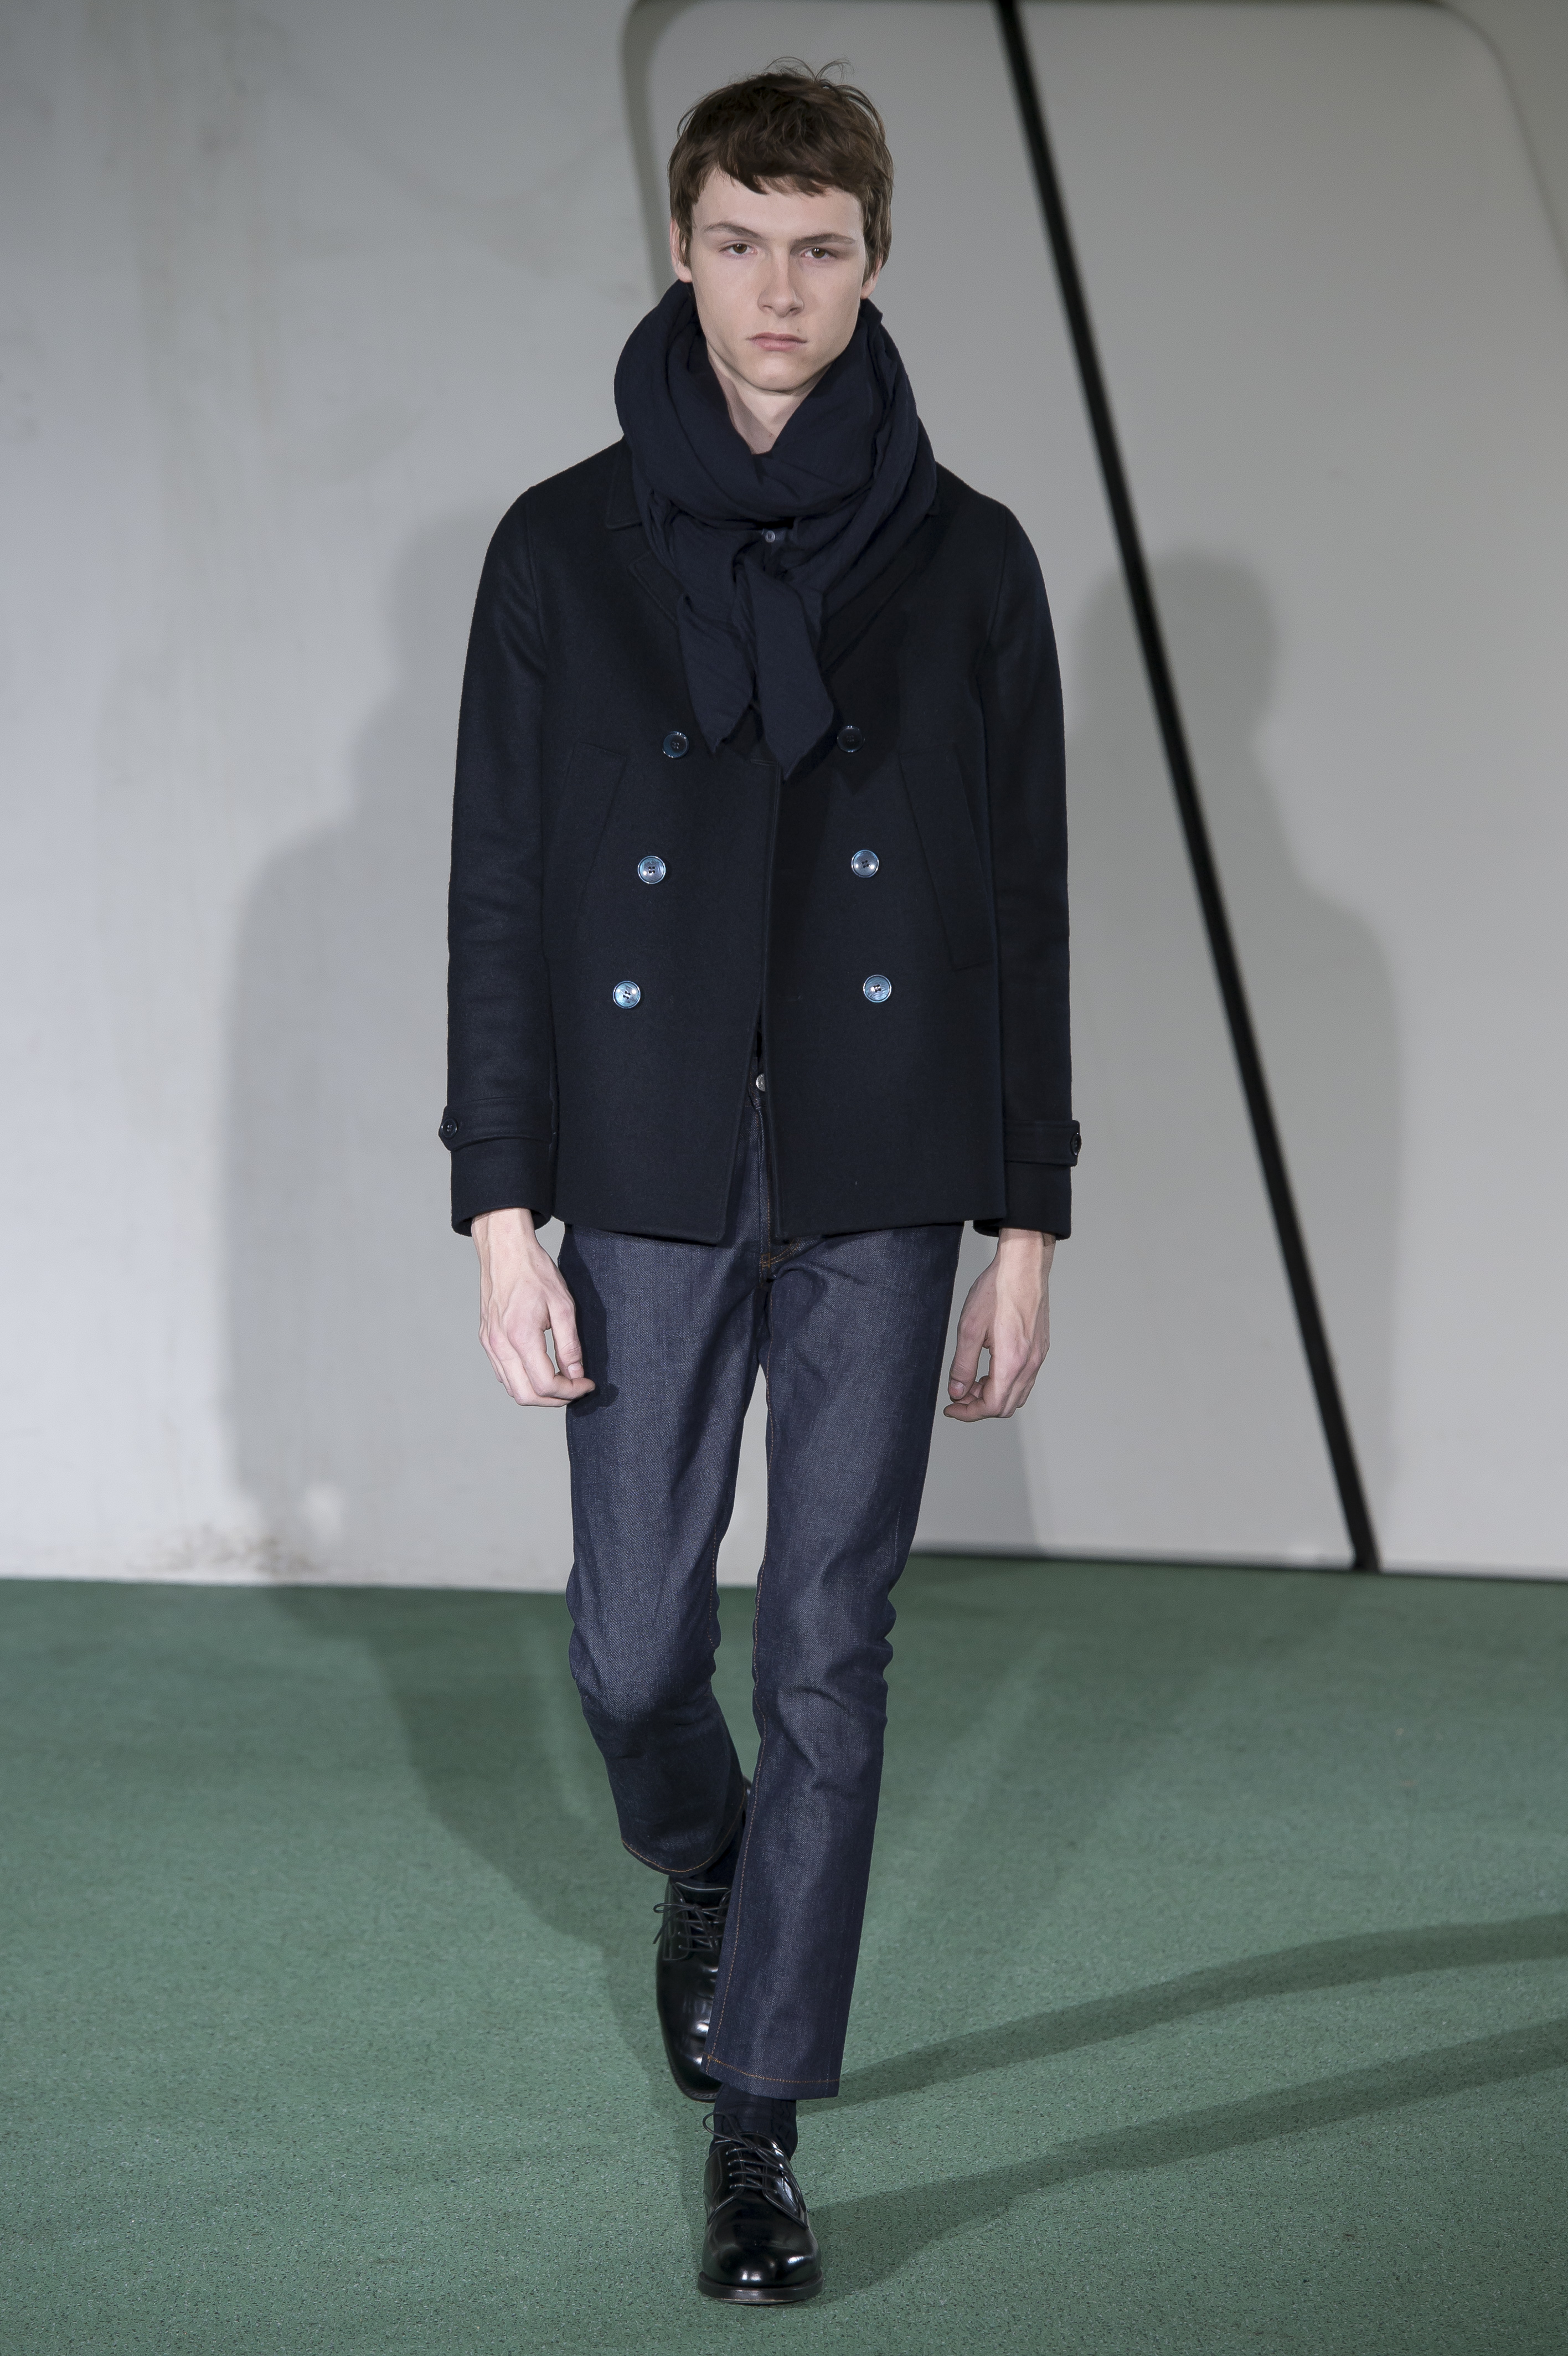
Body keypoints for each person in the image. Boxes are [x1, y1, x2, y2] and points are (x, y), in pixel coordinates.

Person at [441, 63, 1076, 2307]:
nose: (777, 289)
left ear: (877, 261)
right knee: (634, 1650)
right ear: (681, 246)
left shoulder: (972, 559)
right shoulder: (563, 551)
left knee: (827, 1643)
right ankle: (703, 1857)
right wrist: (501, 1211)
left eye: (820, 248)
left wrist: (1029, 1217)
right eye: (739, 241)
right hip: (641, 1157)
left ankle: (761, 2129)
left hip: (886, 1164)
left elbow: (1022, 906)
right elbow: (503, 897)